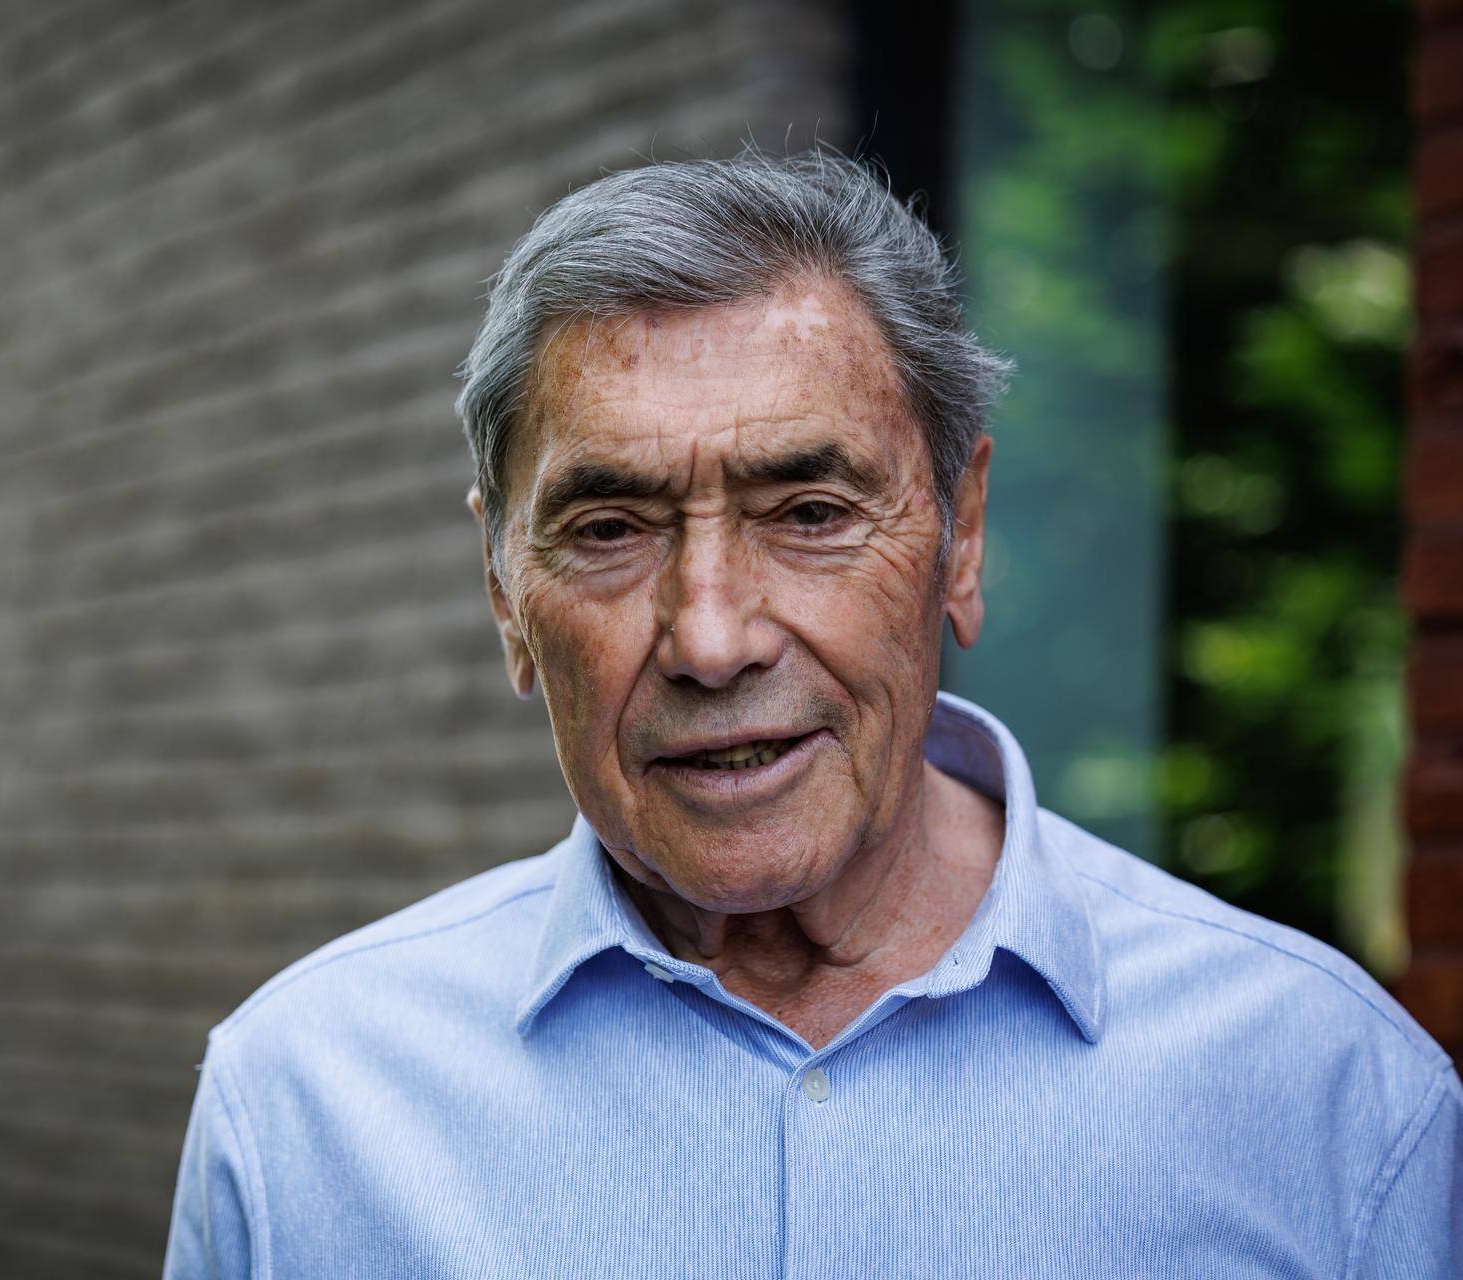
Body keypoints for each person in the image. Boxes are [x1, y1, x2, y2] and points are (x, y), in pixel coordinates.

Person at [161, 150, 1460, 1278]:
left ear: (963, 542)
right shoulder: (304, 1106)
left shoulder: (1327, 1096)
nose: (714, 638)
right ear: (505, 593)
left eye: (812, 515)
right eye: (608, 529)